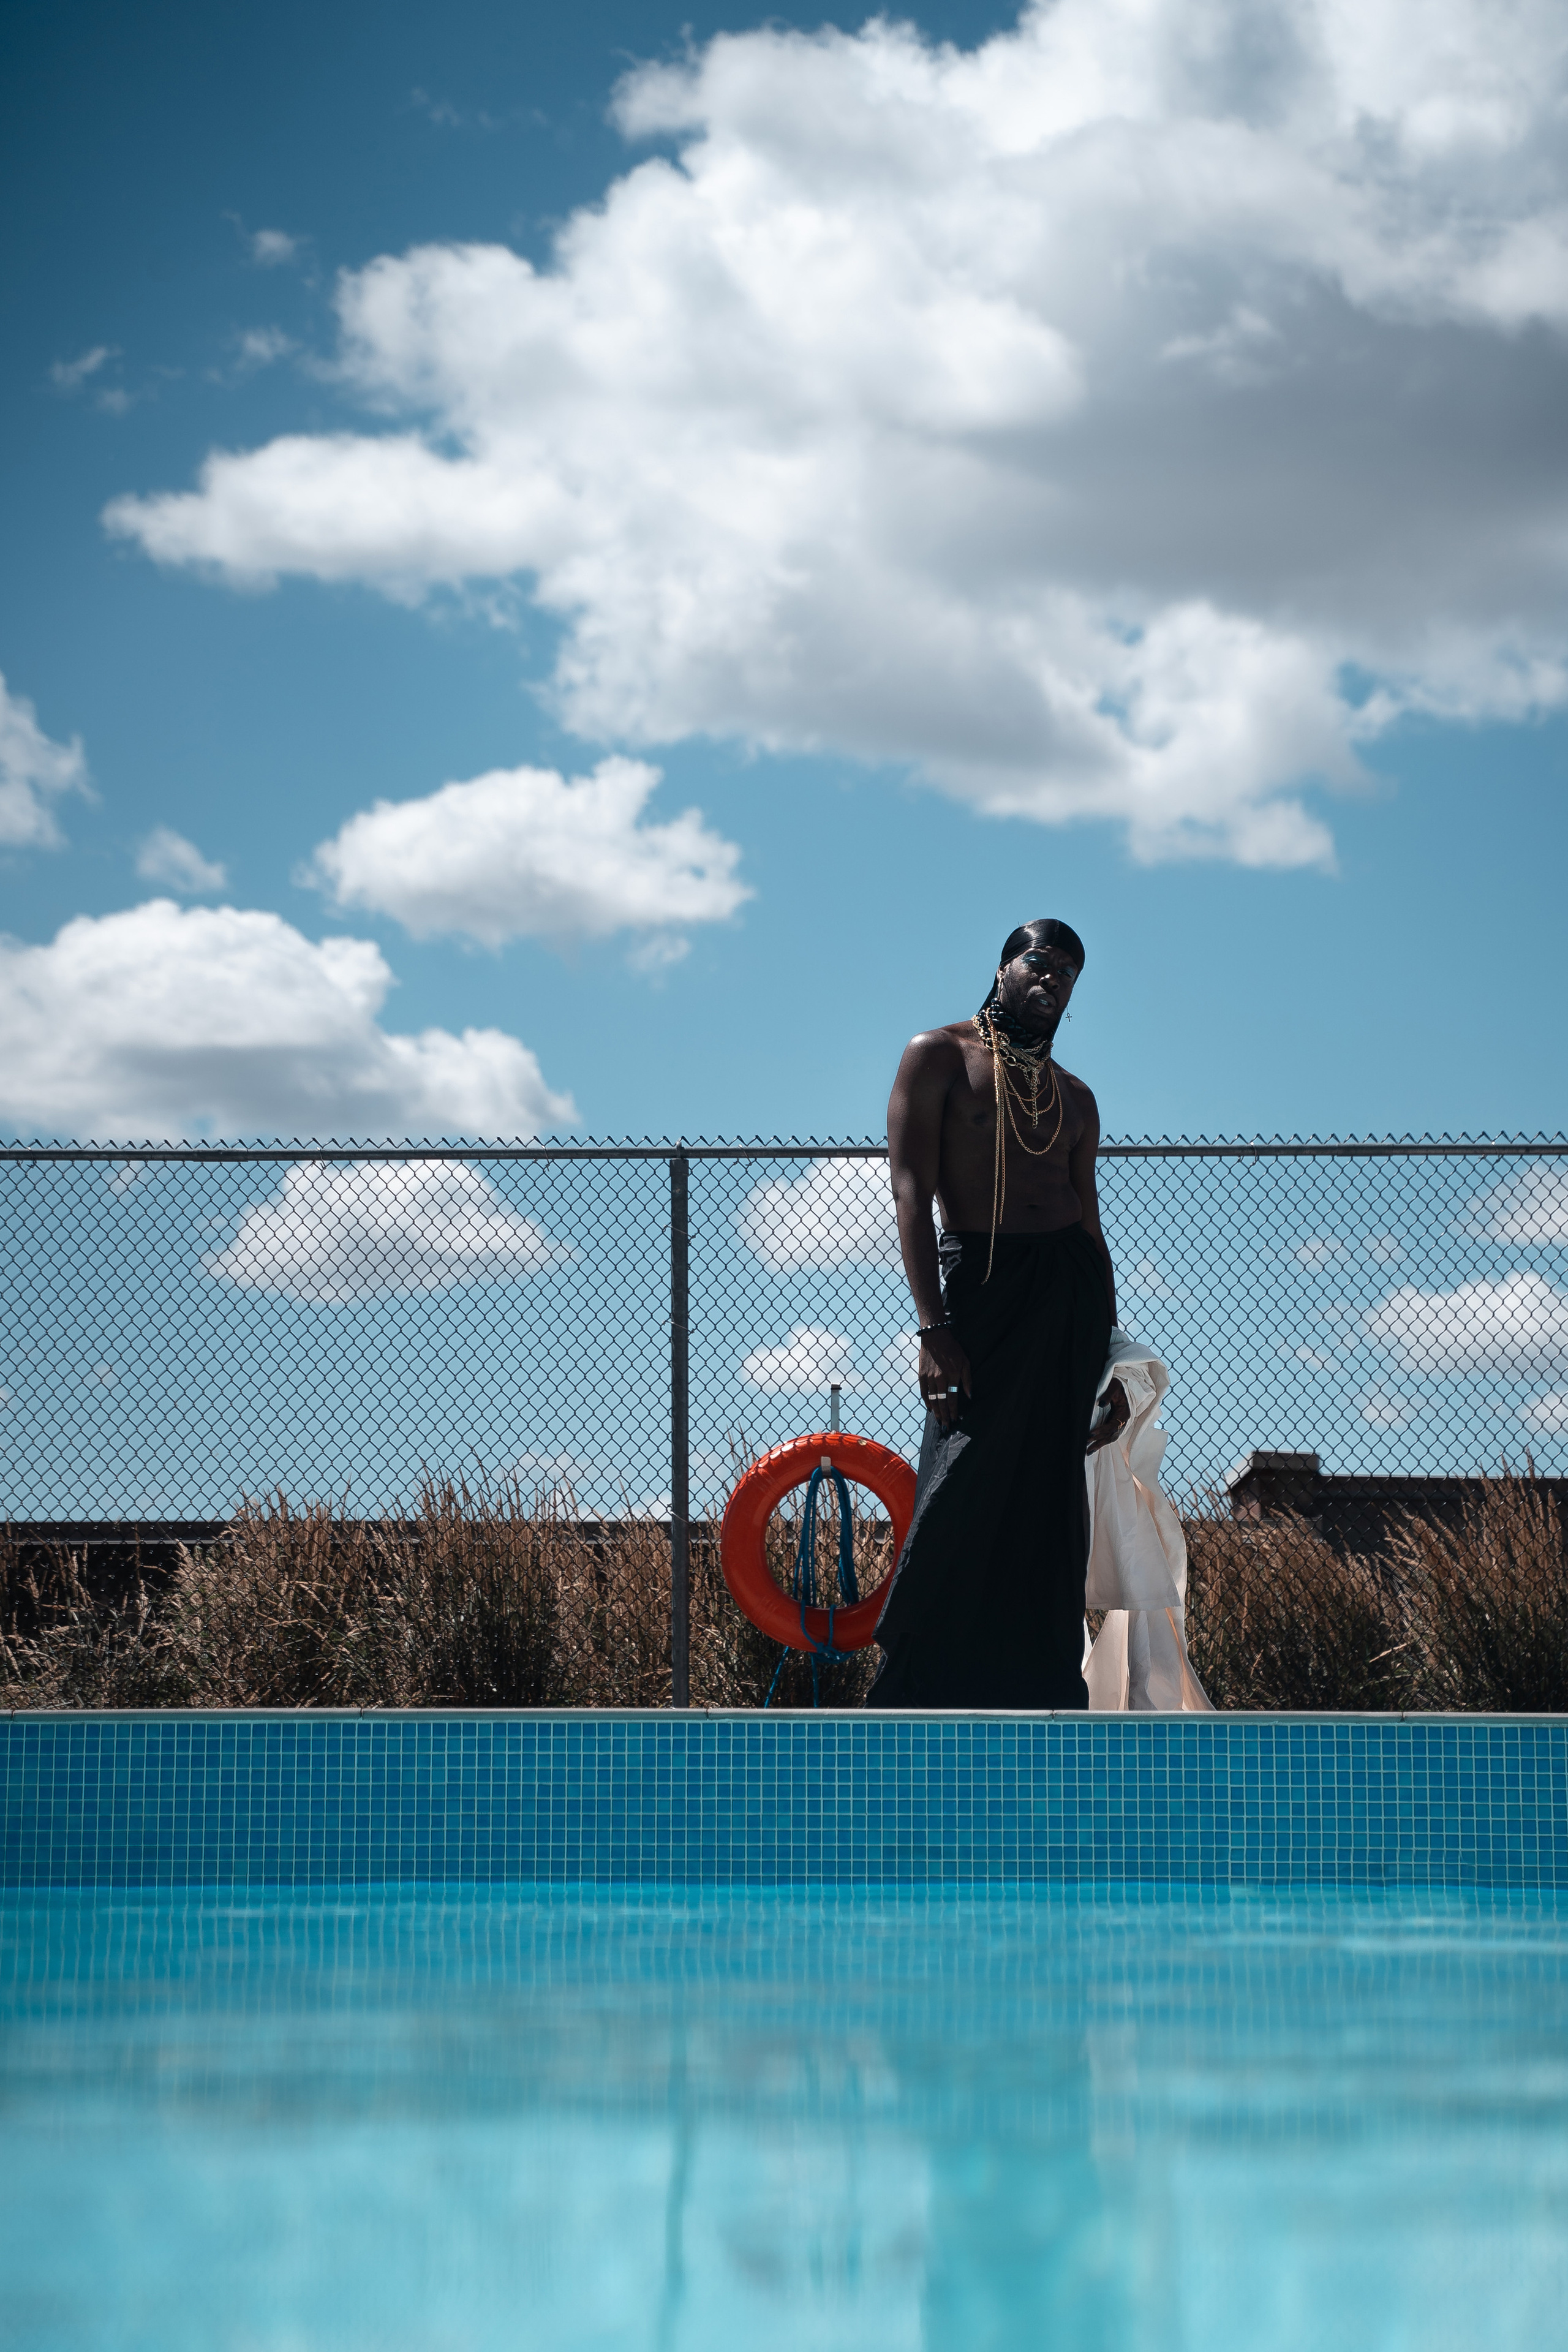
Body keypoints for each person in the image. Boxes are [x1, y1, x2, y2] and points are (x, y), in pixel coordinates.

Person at [866, 919, 1129, 1709]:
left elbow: (1089, 1223)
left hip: (1068, 1297)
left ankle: (1042, 1690)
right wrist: (933, 1327)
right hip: (981, 1284)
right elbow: (911, 1192)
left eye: (1070, 976)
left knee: (1051, 1500)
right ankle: (911, 1691)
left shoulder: (1076, 1098)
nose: (1054, 982)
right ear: (1007, 965)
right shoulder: (937, 1055)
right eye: (1042, 964)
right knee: (961, 1484)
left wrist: (1109, 1361)